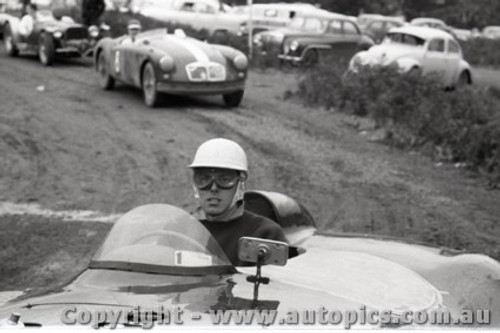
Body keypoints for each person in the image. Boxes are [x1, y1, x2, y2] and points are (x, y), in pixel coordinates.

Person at [188, 138, 287, 266]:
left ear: (240, 184)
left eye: (224, 179)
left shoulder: (265, 234)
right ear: (195, 184)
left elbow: (275, 284)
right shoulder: (177, 229)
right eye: (204, 179)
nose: (213, 188)